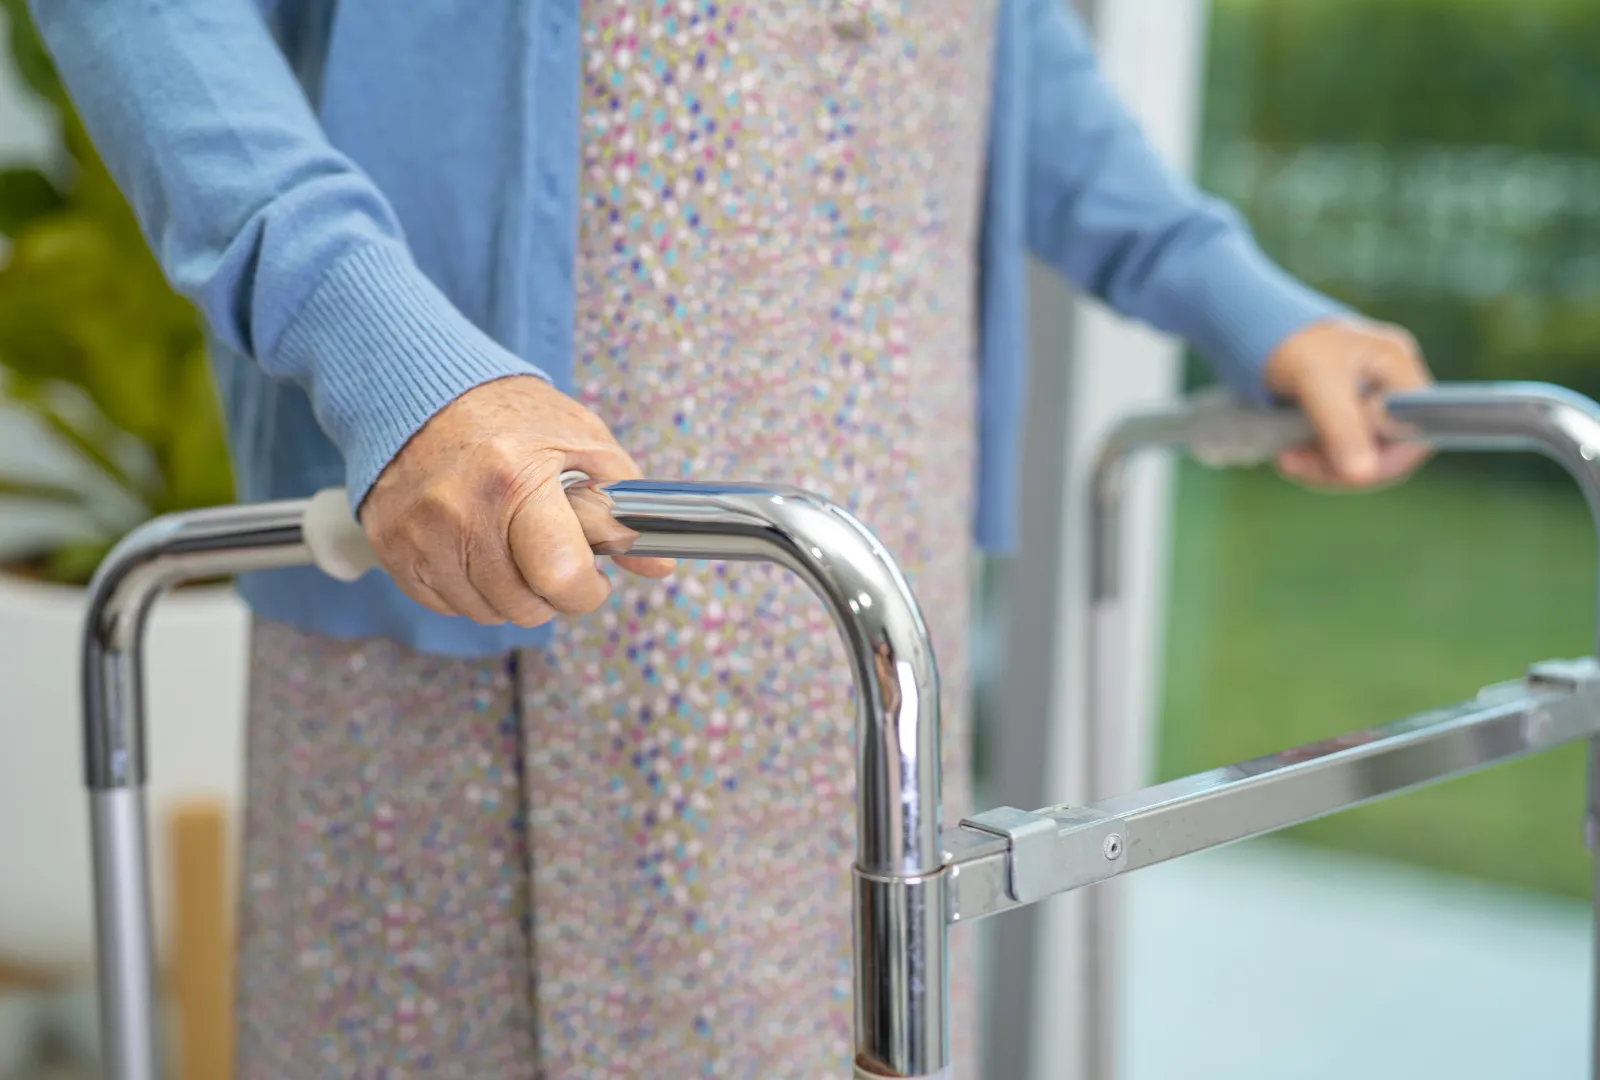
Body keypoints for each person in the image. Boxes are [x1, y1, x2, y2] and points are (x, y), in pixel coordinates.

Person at [30, 1, 1432, 1076]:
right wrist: (373, 337)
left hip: (867, 560)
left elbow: (991, 48)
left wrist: (1227, 287)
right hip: (496, 533)